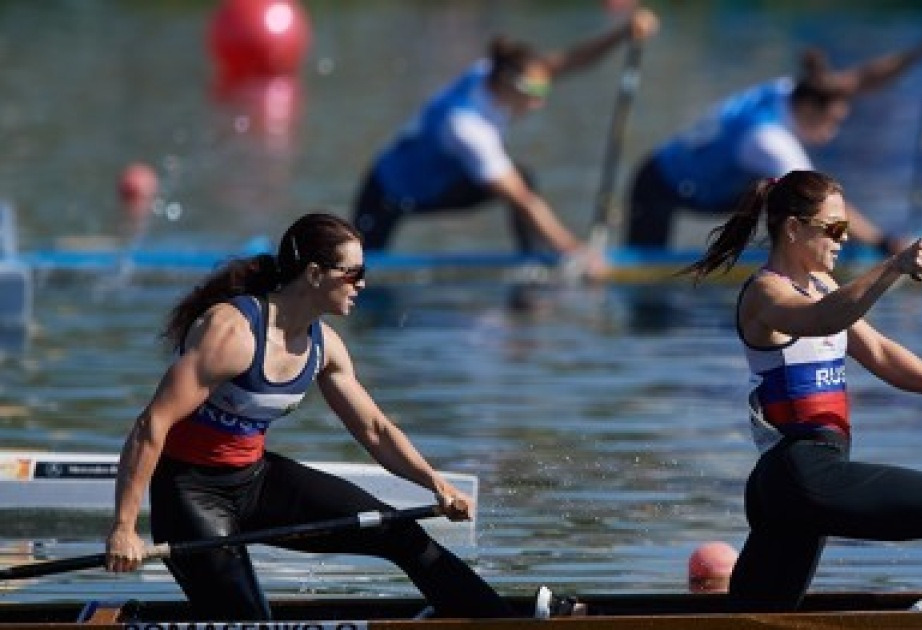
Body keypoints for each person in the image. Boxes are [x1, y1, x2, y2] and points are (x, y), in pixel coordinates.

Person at [104, 212, 516, 620]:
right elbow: (150, 426)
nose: (363, 284)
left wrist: (436, 485)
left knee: (399, 534)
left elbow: (374, 429)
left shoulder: (325, 346)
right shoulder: (232, 334)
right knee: (248, 623)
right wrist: (124, 527)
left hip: (256, 480)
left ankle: (498, 621)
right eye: (354, 274)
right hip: (190, 493)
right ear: (316, 274)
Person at [681, 170, 922, 611]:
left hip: (792, 485)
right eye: (834, 229)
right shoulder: (765, 294)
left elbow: (879, 352)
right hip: (802, 472)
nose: (842, 240)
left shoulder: (822, 286)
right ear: (794, 229)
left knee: (756, 617)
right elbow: (821, 320)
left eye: (846, 230)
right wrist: (894, 265)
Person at [352, 9, 659, 279]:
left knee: (523, 175)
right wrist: (578, 252)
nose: (540, 101)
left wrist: (622, 34)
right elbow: (522, 200)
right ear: (506, 84)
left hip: (440, 181)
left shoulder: (493, 73)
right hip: (387, 193)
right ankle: (555, 258)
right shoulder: (467, 127)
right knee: (355, 275)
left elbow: (570, 61)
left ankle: (537, 264)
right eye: (534, 91)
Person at [627, 22, 922, 253]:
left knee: (786, 197)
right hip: (662, 186)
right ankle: (789, 259)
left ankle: (786, 253)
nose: (832, 133)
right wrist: (883, 242)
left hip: (701, 178)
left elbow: (863, 78)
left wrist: (920, 52)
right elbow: (825, 203)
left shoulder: (794, 90)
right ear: (811, 107)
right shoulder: (769, 141)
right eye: (831, 123)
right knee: (803, 199)